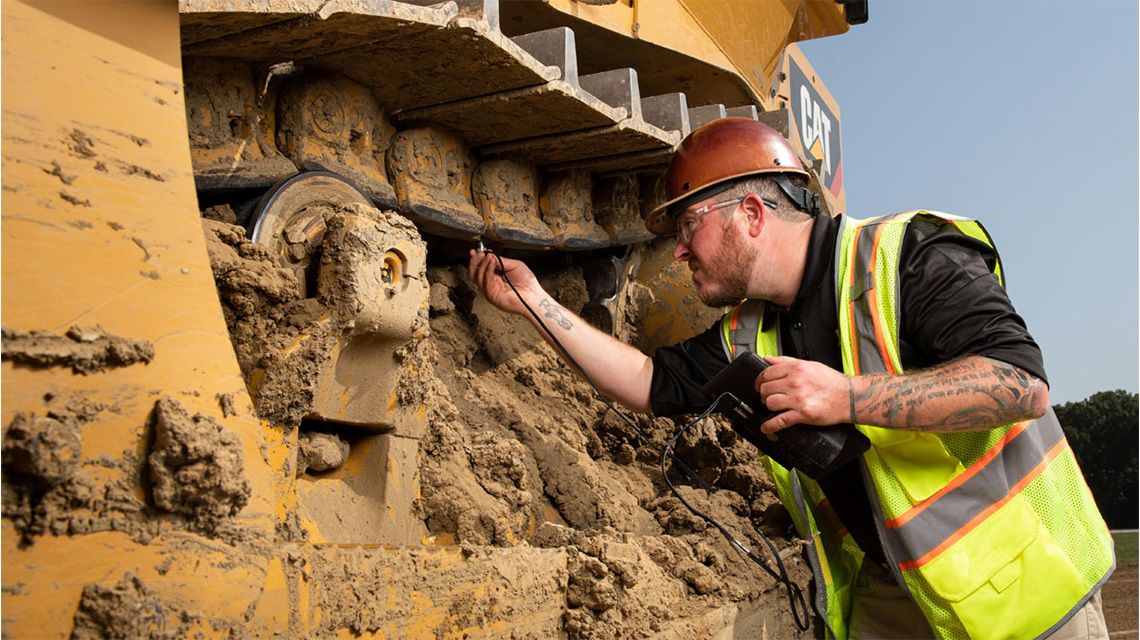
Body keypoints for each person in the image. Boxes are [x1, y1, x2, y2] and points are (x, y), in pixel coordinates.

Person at [468, 117, 1113, 639]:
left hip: (1028, 598)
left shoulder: (906, 256)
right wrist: (533, 303)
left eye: (690, 226)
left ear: (751, 213)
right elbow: (647, 380)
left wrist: (846, 397)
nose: (681, 251)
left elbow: (1020, 382)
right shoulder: (748, 335)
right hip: (896, 600)